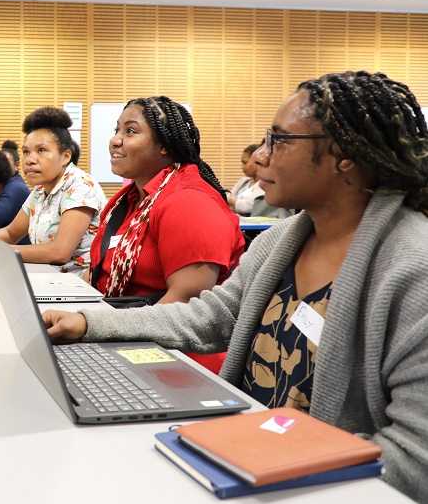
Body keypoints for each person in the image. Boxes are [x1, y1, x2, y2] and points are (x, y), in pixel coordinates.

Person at [42, 71, 428, 502]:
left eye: (279, 141)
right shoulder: (281, 242)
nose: (260, 156)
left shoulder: (413, 269)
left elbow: (415, 457)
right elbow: (210, 316)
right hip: (238, 457)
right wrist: (89, 324)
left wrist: (270, 462)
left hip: (303, 484)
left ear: (345, 156)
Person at [89, 96, 244, 373]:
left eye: (130, 131)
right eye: (116, 130)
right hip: (125, 333)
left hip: (175, 358)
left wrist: (97, 329)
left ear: (164, 145)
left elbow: (188, 303)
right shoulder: (128, 200)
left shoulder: (189, 200)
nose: (115, 140)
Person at [0, 106, 105, 278]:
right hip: (45, 277)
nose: (30, 160)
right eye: (26, 152)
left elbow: (60, 252)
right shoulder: (40, 190)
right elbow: (11, 233)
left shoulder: (80, 186)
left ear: (65, 156)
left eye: (41, 150)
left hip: (76, 285)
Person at [227, 142, 264, 216]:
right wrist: (236, 204)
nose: (242, 167)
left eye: (245, 163)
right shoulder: (243, 181)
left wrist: (232, 202)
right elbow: (226, 200)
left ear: (257, 161)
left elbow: (248, 207)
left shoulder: (264, 184)